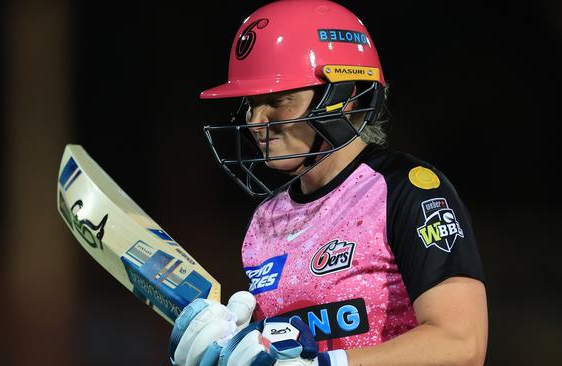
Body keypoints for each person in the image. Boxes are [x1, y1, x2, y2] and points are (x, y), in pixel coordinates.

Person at [169, 1, 488, 365]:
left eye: (278, 99)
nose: (257, 120)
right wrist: (228, 351)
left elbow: (462, 343)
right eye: (251, 102)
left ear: (345, 96)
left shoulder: (406, 191)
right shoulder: (265, 220)